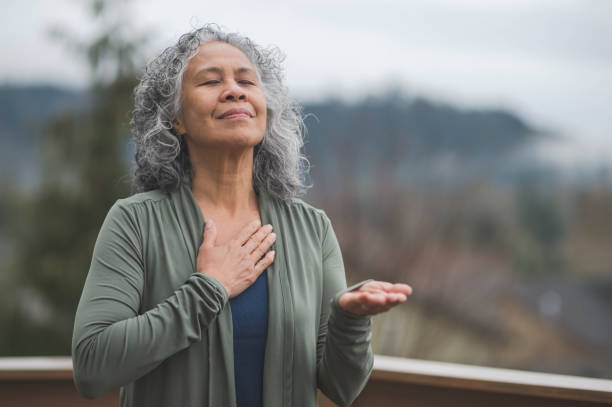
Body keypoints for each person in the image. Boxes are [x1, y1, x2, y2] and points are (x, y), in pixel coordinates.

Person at [71, 24, 412, 407]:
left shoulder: (312, 230)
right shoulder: (136, 222)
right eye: (210, 81)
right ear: (175, 119)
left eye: (247, 81)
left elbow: (341, 386)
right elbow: (91, 366)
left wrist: (350, 320)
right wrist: (207, 289)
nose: (234, 90)